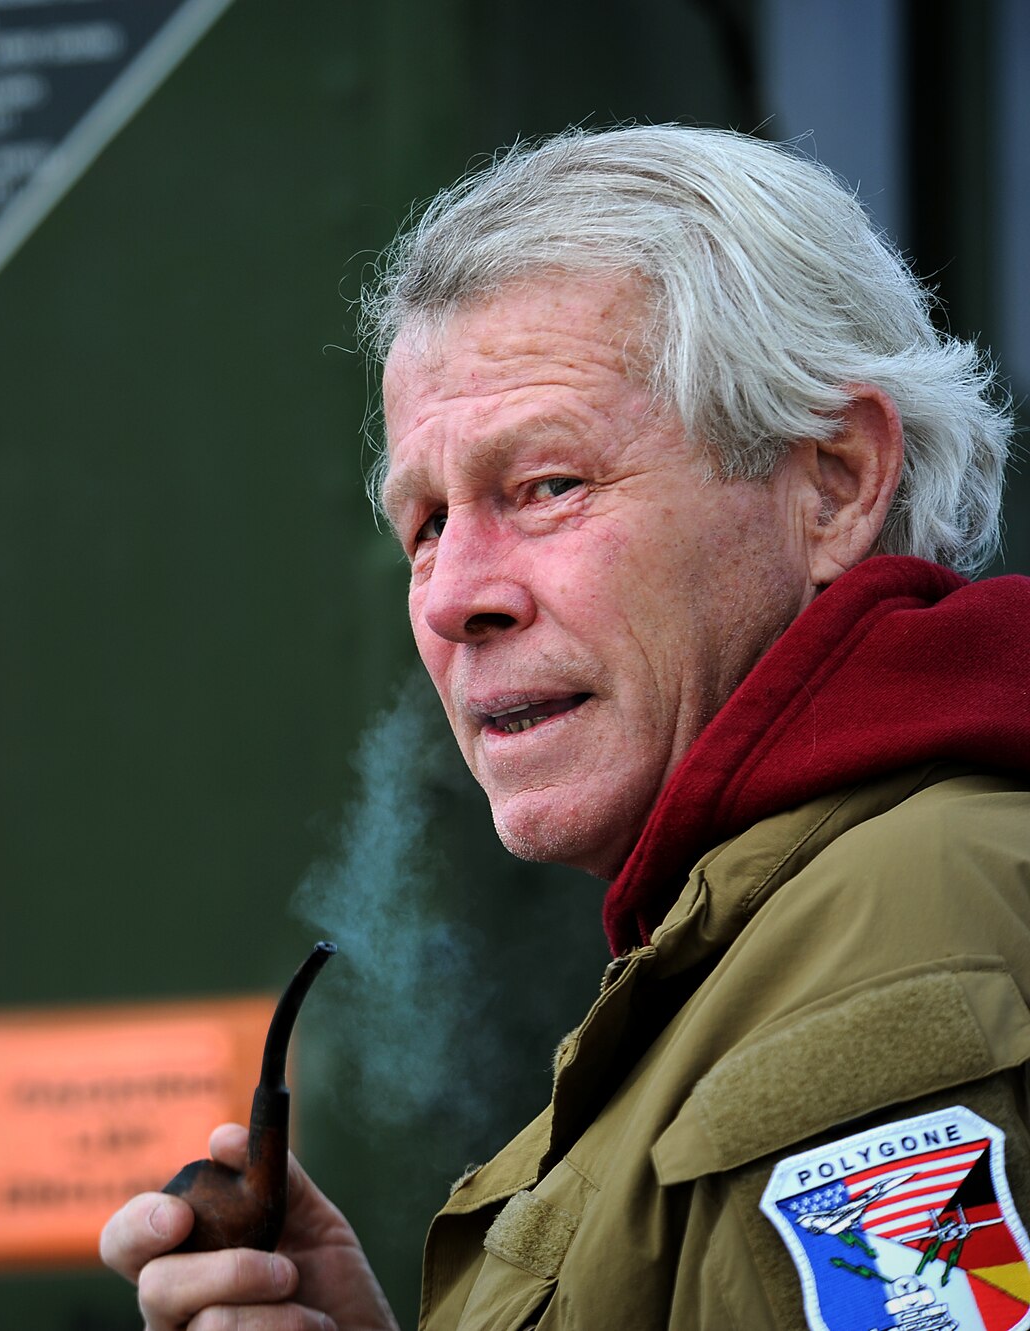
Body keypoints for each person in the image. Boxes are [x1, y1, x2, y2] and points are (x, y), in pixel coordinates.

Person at [100, 124, 1030, 1330]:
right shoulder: (760, 935)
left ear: (836, 482)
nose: (447, 596)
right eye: (424, 520)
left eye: (545, 485)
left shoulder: (915, 921)